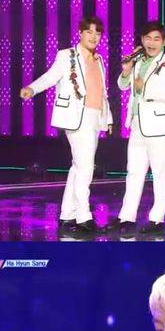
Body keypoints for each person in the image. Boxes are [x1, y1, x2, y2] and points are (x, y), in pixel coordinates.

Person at [20, 15, 112, 233]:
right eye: (89, 32)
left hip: (95, 116)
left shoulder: (99, 60)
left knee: (78, 167)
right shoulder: (67, 55)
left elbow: (102, 92)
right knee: (86, 167)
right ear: (80, 33)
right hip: (75, 116)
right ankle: (84, 217)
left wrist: (108, 118)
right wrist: (32, 88)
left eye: (97, 33)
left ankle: (66, 215)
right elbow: (51, 76)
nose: (93, 37)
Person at [117, 21, 165, 234]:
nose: (151, 43)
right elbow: (122, 86)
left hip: (159, 125)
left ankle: (157, 219)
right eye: (147, 38)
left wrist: (145, 88)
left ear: (164, 42)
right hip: (137, 124)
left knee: (160, 174)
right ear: (142, 40)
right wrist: (126, 71)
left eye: (156, 39)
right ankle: (127, 217)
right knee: (134, 172)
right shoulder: (138, 60)